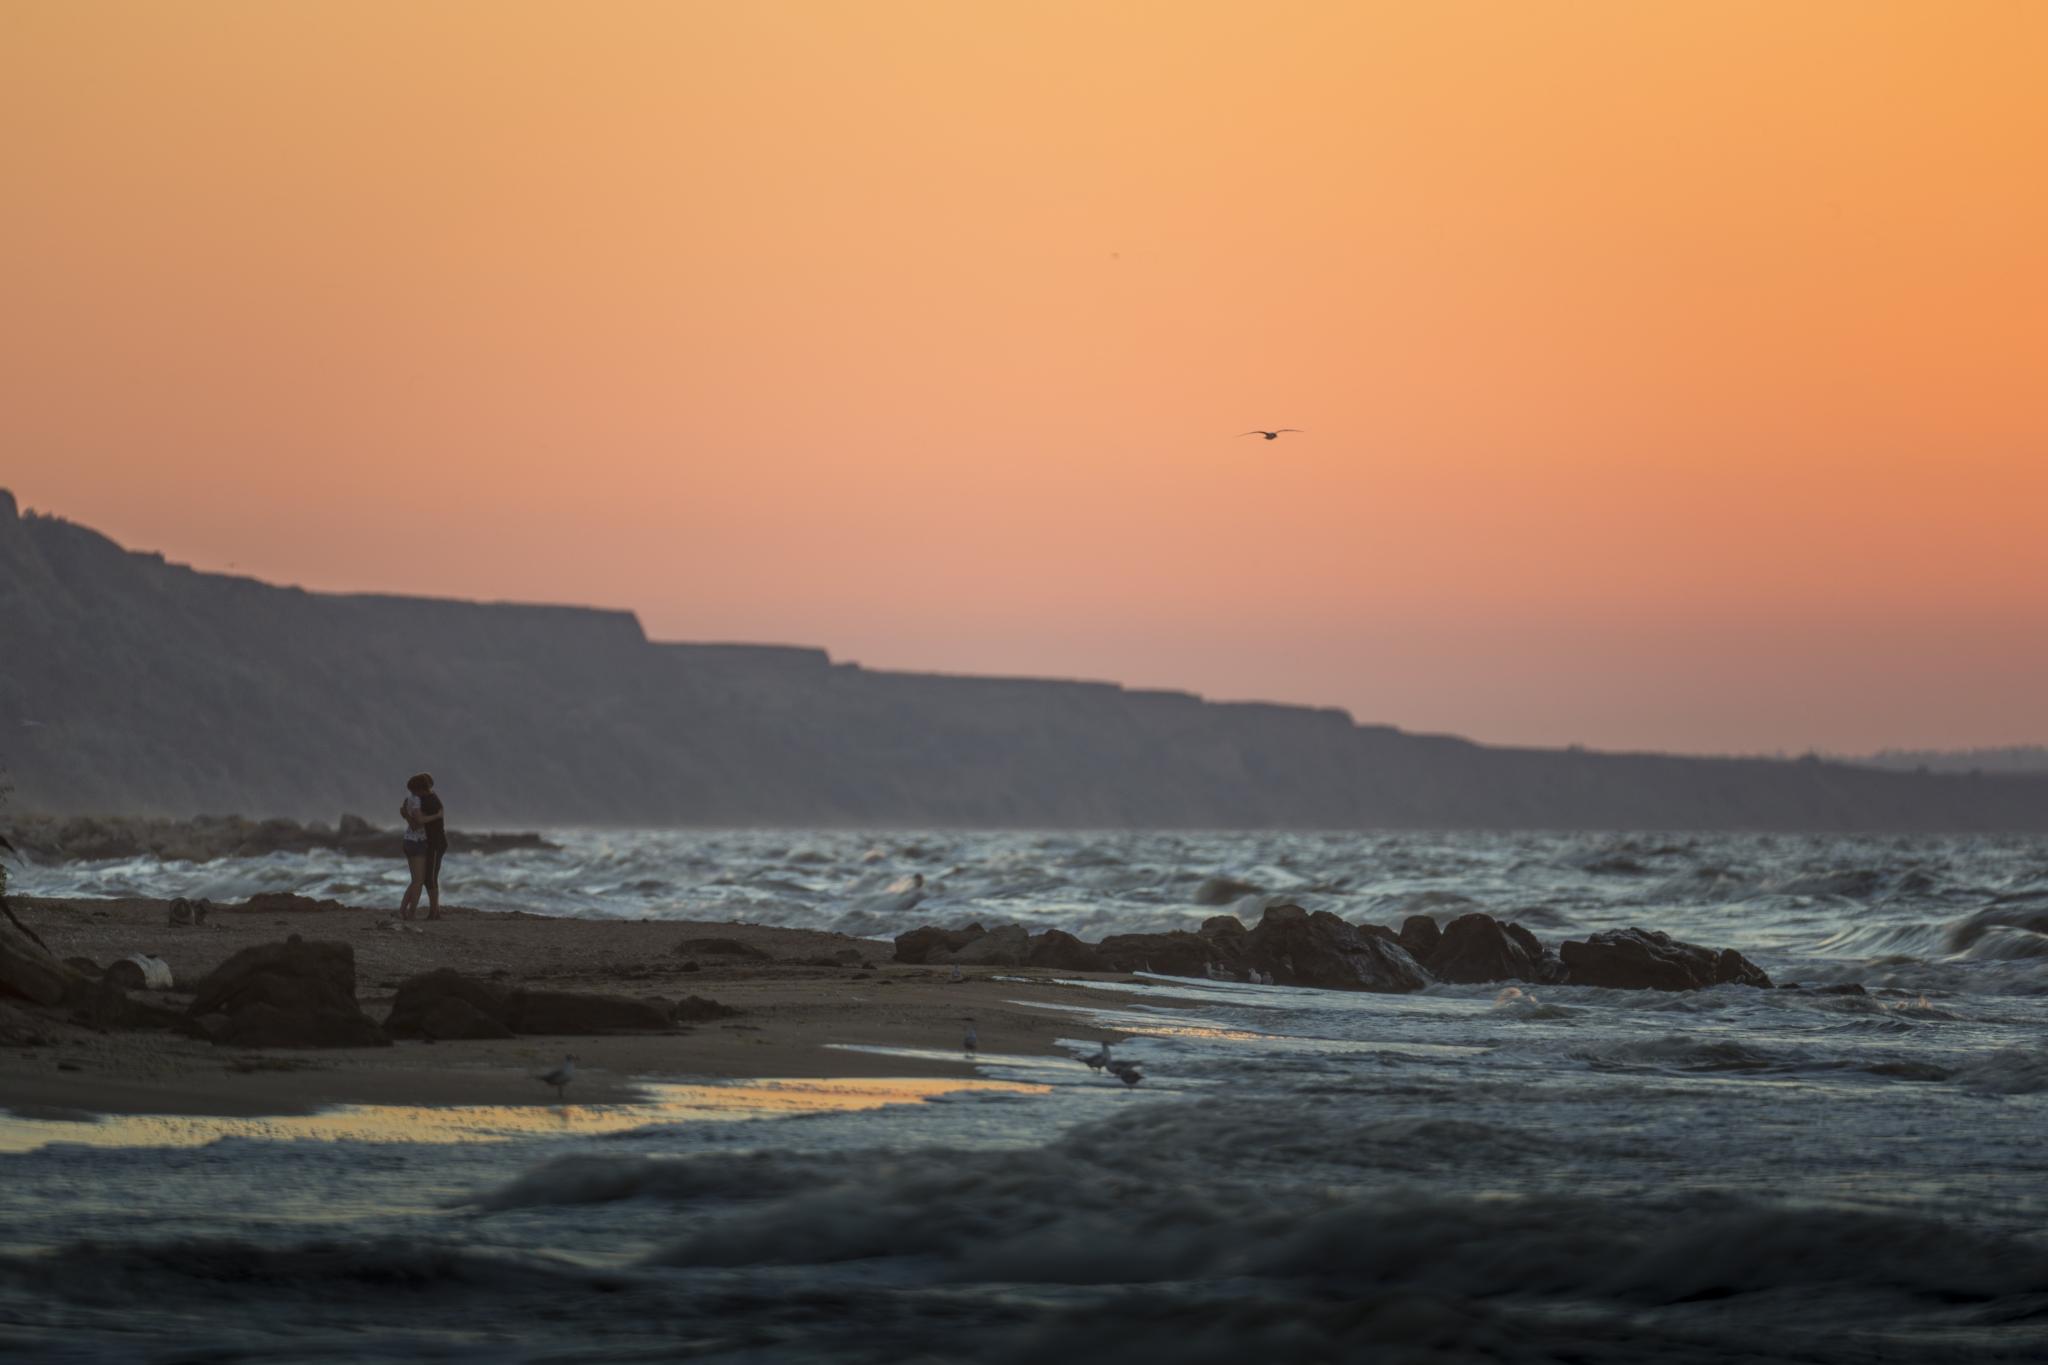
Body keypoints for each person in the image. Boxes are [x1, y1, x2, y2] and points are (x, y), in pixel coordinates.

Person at [416, 773, 449, 919]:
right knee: (430, 877)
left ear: (421, 789)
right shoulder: (427, 798)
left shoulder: (431, 801)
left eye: (415, 790)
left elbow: (421, 820)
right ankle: (436, 911)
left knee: (430, 877)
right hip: (433, 843)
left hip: (436, 843)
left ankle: (435, 912)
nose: (413, 793)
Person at [398, 774, 431, 921]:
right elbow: (417, 823)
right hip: (417, 842)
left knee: (415, 880)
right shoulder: (417, 800)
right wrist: (436, 816)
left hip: (409, 840)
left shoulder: (409, 799)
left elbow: (411, 821)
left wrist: (406, 816)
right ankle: (411, 913)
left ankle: (402, 911)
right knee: (419, 881)